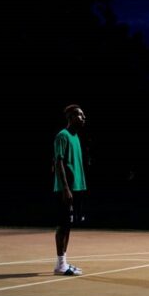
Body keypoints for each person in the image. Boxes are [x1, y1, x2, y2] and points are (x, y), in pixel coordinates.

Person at [52, 104, 87, 276]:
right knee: (62, 224)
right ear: (71, 117)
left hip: (76, 187)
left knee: (68, 225)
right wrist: (65, 188)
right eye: (80, 115)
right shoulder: (62, 136)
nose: (83, 118)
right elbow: (58, 162)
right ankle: (60, 265)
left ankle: (63, 262)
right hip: (66, 189)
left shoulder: (76, 137)